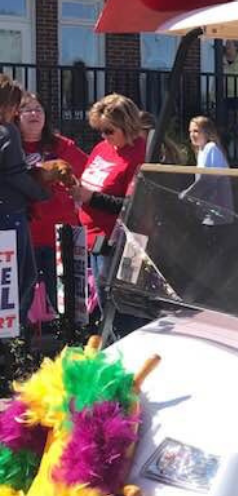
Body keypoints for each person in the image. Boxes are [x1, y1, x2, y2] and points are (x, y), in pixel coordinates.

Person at [73, 94, 147, 325]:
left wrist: (91, 198)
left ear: (128, 126)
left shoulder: (140, 154)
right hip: (94, 238)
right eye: (101, 131)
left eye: (109, 131)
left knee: (122, 310)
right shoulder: (102, 148)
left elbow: (135, 206)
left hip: (122, 242)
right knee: (104, 304)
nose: (104, 136)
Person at [18, 92, 87, 308]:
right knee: (24, 295)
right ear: (15, 115)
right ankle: (25, 337)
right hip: (26, 231)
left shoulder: (62, 145)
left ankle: (65, 336)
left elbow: (88, 173)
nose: (34, 113)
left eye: (38, 109)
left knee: (62, 295)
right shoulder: (10, 146)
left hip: (60, 231)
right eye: (27, 109)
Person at [0, 75, 49, 319]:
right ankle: (12, 340)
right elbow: (15, 175)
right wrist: (41, 193)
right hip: (10, 213)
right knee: (21, 278)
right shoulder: (8, 132)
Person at [185, 115, 234, 223]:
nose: (192, 135)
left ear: (206, 132)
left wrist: (189, 193)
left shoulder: (211, 148)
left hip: (217, 213)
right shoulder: (201, 151)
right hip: (206, 212)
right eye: (190, 131)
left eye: (196, 131)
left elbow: (209, 178)